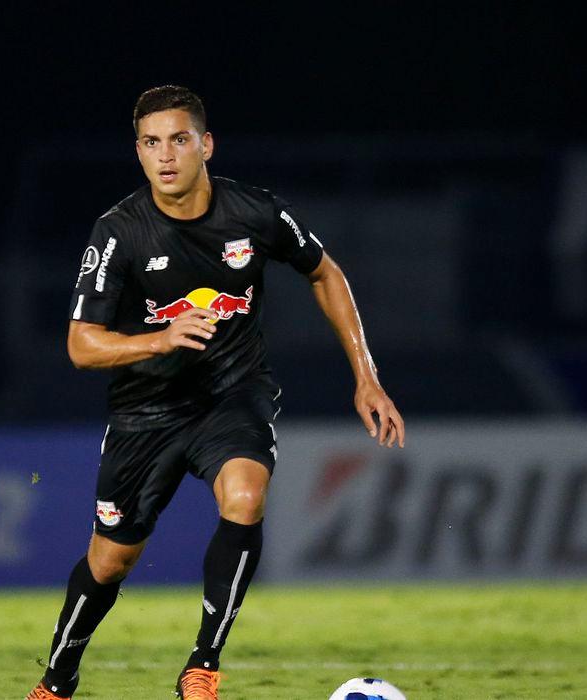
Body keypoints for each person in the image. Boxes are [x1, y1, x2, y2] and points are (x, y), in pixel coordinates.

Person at [27, 85, 405, 700]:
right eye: (151, 143)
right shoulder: (118, 232)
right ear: (138, 152)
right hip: (145, 411)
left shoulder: (255, 213)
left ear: (206, 145)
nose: (165, 155)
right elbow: (80, 345)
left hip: (233, 395)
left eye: (179, 139)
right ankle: (57, 679)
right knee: (111, 561)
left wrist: (366, 376)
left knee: (246, 497)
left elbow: (324, 272)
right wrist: (160, 339)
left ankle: (202, 666)